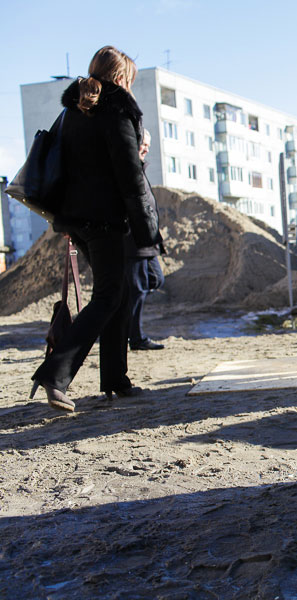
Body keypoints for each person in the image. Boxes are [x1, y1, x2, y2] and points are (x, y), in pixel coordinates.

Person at [31, 45, 161, 412]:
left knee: (114, 295)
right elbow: (128, 176)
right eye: (130, 80)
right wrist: (145, 226)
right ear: (121, 79)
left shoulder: (74, 111)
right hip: (105, 218)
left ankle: (115, 379)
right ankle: (55, 374)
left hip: (77, 218)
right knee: (108, 295)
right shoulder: (117, 110)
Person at [125, 129, 165, 351]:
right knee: (137, 289)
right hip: (134, 241)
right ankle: (135, 337)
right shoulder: (128, 168)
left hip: (148, 242)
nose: (146, 148)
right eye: (143, 143)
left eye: (148, 144)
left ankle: (127, 321)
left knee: (155, 280)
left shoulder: (139, 169)